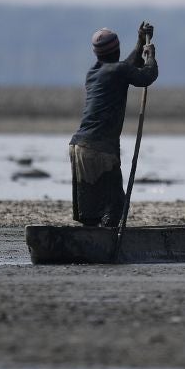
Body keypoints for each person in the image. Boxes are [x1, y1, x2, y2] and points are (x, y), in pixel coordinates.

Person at [70, 21, 158, 227]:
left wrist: (140, 42)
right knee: (116, 205)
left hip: (79, 147)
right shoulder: (118, 71)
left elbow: (125, 67)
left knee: (90, 211)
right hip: (100, 149)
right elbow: (147, 76)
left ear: (97, 54)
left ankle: (91, 240)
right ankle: (108, 242)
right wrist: (150, 57)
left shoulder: (93, 73)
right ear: (116, 50)